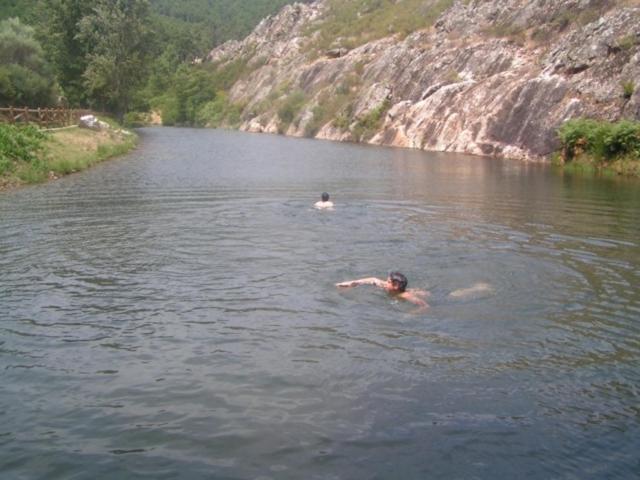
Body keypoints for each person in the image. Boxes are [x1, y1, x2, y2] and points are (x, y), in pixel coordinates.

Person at [336, 271, 429, 310]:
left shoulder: (405, 296)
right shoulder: (385, 286)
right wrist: (351, 283)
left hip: (402, 293)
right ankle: (419, 291)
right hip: (399, 291)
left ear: (395, 285)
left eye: (388, 282)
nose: (384, 282)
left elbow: (425, 306)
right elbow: (372, 279)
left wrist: (410, 314)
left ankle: (422, 292)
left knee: (411, 292)